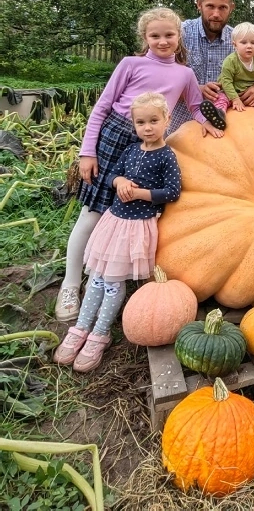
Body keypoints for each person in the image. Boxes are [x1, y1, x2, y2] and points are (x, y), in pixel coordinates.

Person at [55, 8, 219, 322]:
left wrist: (208, 125)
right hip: (115, 137)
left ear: (178, 36)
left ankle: (111, 274)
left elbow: (195, 106)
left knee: (131, 214)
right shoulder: (130, 64)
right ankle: (70, 283)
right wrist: (87, 153)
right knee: (93, 213)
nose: (162, 41)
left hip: (150, 146)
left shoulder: (185, 74)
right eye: (155, 35)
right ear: (145, 38)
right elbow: (102, 106)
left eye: (169, 35)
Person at [53, 92, 182, 371]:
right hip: (113, 221)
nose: (147, 127)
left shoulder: (167, 156)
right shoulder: (131, 150)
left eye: (153, 121)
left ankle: (100, 334)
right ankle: (80, 328)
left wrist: (140, 193)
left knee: (112, 281)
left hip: (136, 227)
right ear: (134, 124)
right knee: (97, 277)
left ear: (166, 120)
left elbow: (172, 192)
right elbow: (111, 174)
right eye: (140, 122)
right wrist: (120, 180)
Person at [168, 0, 254, 133]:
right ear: (199, 4)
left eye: (222, 7)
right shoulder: (178, 35)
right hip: (180, 128)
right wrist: (195, 90)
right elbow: (159, 78)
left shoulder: (240, 41)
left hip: (224, 133)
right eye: (210, 6)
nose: (216, 14)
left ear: (231, 8)